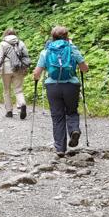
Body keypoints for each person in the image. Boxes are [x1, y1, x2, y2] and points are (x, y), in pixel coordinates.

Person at [33, 26, 89, 157]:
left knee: (57, 116)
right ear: (67, 36)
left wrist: (35, 78)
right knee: (71, 111)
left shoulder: (46, 51)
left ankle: (60, 149)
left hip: (53, 87)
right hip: (71, 85)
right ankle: (74, 130)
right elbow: (84, 68)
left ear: (52, 37)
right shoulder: (72, 49)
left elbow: (37, 73)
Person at [0, 28, 31, 119]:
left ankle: (9, 111)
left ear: (5, 34)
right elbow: (25, 56)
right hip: (18, 68)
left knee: (6, 90)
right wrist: (25, 68)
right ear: (15, 34)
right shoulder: (20, 43)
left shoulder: (2, 44)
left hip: (6, 70)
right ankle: (22, 104)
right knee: (18, 89)